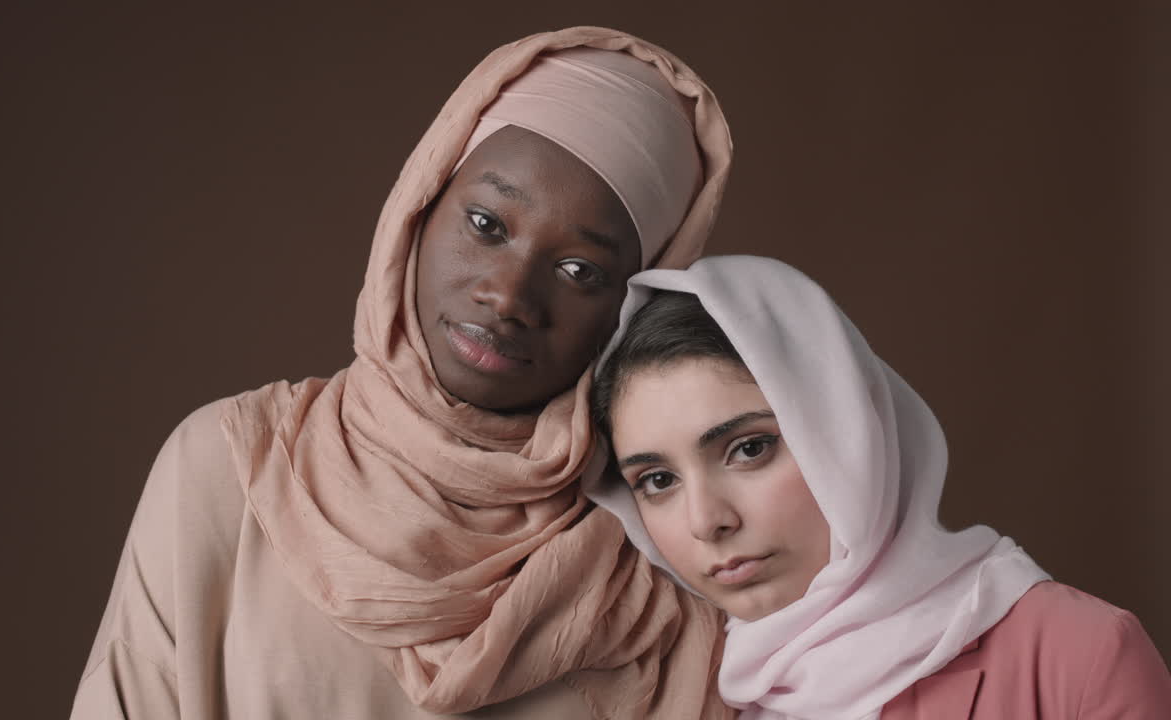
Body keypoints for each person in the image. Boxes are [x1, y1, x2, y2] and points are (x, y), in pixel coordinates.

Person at [69, 27, 736, 720]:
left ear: (632, 306)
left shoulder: (662, 556)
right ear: (418, 208)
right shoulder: (233, 469)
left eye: (579, 271)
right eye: (485, 223)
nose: (509, 296)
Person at [587, 255, 1171, 719]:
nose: (705, 520)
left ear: (849, 431)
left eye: (749, 449)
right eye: (658, 480)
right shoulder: (664, 691)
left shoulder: (1078, 655)